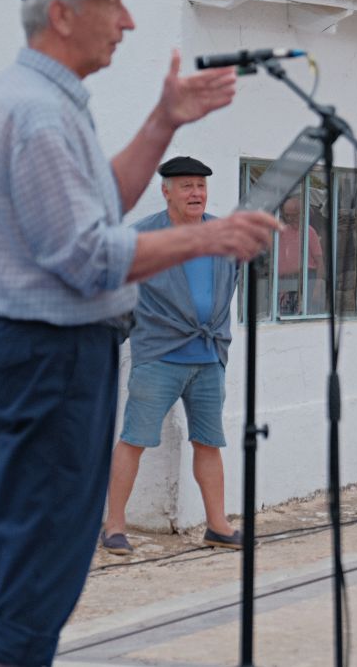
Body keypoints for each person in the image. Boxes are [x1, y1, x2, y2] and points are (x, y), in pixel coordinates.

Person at [0, 0, 279, 666]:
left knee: (23, 544)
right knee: (42, 553)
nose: (128, 23)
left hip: (46, 352)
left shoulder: (49, 99)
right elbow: (86, 256)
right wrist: (209, 236)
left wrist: (164, 121)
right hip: (50, 355)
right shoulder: (38, 112)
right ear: (62, 14)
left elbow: (102, 201)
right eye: (113, 6)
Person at [101, 157, 244, 556]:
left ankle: (217, 525)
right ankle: (114, 527)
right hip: (159, 356)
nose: (196, 193)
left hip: (209, 357)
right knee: (134, 440)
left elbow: (229, 285)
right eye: (186, 186)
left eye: (201, 186)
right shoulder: (141, 237)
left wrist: (219, 338)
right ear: (166, 191)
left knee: (209, 442)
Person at [277, 195, 324, 316]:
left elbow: (320, 262)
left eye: (294, 215)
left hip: (307, 279)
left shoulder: (309, 232)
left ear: (302, 214)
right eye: (287, 215)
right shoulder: (283, 232)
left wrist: (318, 286)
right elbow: (280, 260)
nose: (290, 219)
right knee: (286, 316)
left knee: (304, 315)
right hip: (287, 280)